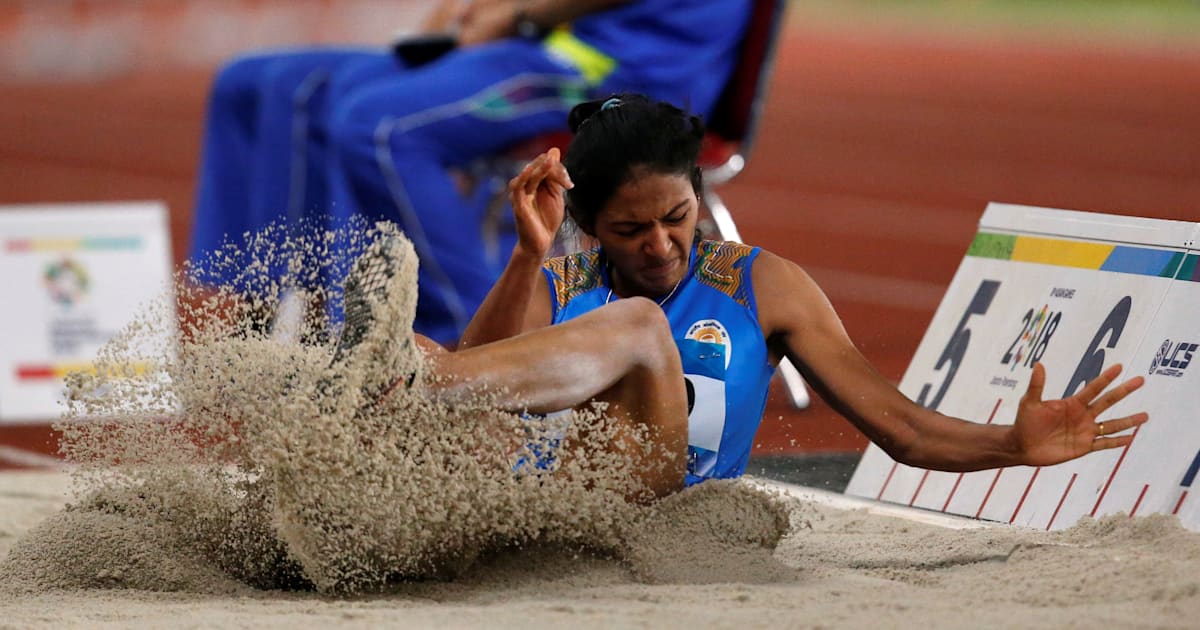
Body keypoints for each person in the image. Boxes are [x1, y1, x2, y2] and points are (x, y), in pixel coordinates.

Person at [421, 93, 1149, 492]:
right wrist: (527, 255)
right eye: (630, 229)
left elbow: (903, 428)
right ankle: (395, 380)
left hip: (660, 527)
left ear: (698, 199)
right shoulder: (563, 279)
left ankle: (401, 374)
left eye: (677, 217)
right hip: (546, 518)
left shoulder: (760, 285)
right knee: (447, 378)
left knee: (639, 327)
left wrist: (1012, 446)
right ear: (589, 226)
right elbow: (478, 397)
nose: (661, 243)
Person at [189, 0, 755, 345]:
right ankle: (285, 325)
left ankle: (472, 337)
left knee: (377, 127)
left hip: (618, 71)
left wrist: (517, 16)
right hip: (545, 45)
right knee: (263, 84)